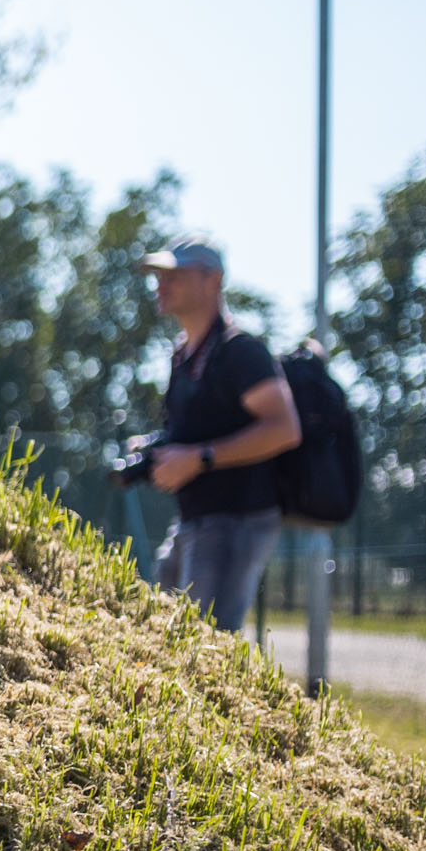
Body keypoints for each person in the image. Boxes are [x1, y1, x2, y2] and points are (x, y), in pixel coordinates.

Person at [134, 235, 299, 632]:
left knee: (208, 644)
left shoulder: (240, 351)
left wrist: (198, 459)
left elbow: (285, 428)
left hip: (235, 520)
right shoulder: (182, 355)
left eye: (174, 274)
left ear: (213, 280)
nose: (161, 284)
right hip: (193, 518)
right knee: (161, 630)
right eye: (159, 275)